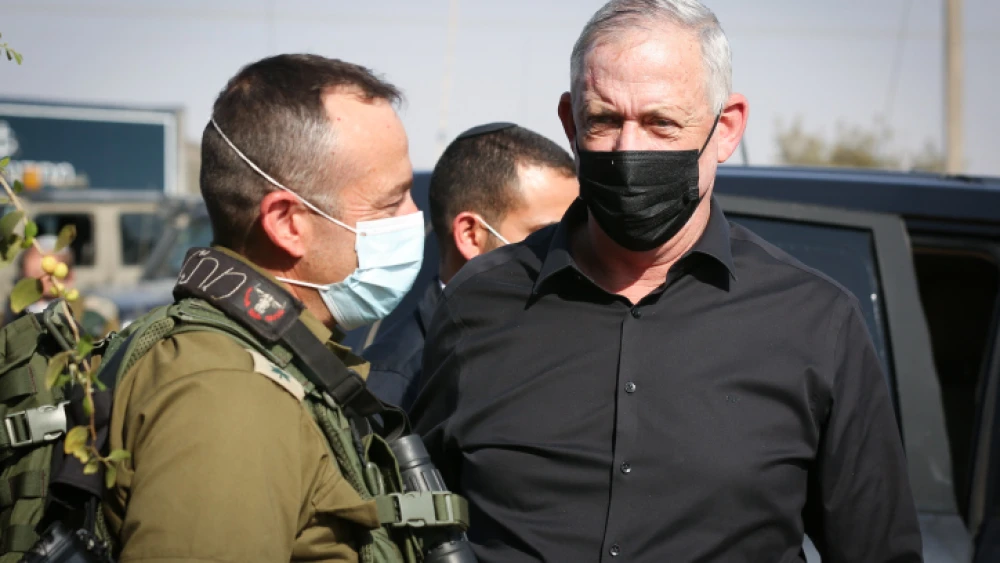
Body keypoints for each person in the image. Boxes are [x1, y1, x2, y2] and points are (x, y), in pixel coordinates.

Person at [410, 1, 923, 561]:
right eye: (605, 121)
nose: (629, 150)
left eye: (661, 123)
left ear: (726, 128)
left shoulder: (817, 324)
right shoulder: (478, 305)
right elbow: (410, 526)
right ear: (570, 123)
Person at [103, 54, 424, 562]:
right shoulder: (229, 398)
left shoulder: (274, 358)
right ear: (288, 223)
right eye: (391, 202)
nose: (414, 216)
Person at [364, 123, 578, 409]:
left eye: (574, 234)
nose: (567, 254)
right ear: (471, 235)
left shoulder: (569, 343)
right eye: (547, 235)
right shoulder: (390, 389)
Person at [3, 234, 119, 338]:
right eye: (32, 276)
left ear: (70, 277)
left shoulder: (96, 316)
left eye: (48, 278)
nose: (40, 282)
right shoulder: (9, 318)